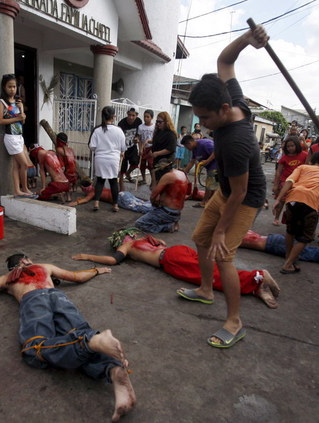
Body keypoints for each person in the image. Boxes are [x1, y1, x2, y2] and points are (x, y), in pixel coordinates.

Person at [0, 253, 135, 421]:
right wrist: (97, 269)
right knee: (76, 333)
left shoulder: (6, 278)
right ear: (25, 260)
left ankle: (92, 342)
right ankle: (114, 370)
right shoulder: (44, 267)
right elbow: (77, 277)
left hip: (33, 301)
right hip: (59, 297)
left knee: (35, 349)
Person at [184, 25, 269, 348]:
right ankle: (206, 290)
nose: (201, 125)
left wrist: (222, 230)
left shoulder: (237, 140)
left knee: (224, 254)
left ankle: (235, 321)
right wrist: (248, 40)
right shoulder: (230, 100)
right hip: (226, 190)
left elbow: (242, 193)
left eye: (204, 119)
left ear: (222, 111)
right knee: (199, 238)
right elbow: (225, 61)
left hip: (245, 198)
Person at [72, 228, 281, 309]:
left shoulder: (127, 245)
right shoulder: (145, 238)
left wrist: (86, 256)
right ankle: (255, 286)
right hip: (177, 250)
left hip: (170, 260)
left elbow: (113, 260)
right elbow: (161, 241)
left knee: (211, 277)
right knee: (213, 269)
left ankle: (257, 277)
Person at [273, 151, 319, 274]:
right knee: (305, 237)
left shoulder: (302, 167)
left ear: (311, 161)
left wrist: (278, 199)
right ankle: (288, 264)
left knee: (290, 230)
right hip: (310, 204)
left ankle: (289, 257)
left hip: (292, 200)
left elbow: (289, 182)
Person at [240, 230, 319, 268]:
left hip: (273, 244)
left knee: (314, 254)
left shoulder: (232, 237)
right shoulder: (239, 229)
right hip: (274, 240)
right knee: (313, 251)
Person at [0, 74, 32, 197]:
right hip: (10, 137)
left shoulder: (18, 102)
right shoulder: (2, 102)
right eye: (10, 86)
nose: (12, 89)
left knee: (16, 166)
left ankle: (17, 190)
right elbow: (0, 121)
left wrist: (22, 111)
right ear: (4, 87)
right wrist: (17, 117)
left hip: (19, 136)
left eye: (14, 86)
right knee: (24, 164)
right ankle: (25, 188)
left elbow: (22, 121)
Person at [89, 106, 126, 212]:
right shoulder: (118, 130)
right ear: (113, 116)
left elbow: (92, 146)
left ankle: (96, 203)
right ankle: (115, 205)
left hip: (100, 159)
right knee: (113, 182)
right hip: (113, 159)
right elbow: (123, 147)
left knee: (100, 181)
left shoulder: (97, 130)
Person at [134, 165, 188, 233]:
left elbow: (153, 196)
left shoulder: (167, 176)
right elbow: (188, 193)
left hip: (166, 213)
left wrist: (155, 204)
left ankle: (168, 226)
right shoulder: (181, 173)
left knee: (140, 223)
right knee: (146, 208)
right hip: (176, 212)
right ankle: (171, 222)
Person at [272, 136, 307, 225]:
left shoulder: (305, 155)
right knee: (281, 201)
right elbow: (278, 172)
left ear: (297, 145)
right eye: (288, 146)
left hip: (298, 183)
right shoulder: (284, 158)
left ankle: (290, 219)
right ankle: (276, 218)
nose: (290, 148)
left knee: (293, 203)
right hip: (285, 182)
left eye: (292, 145)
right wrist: (275, 185)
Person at [181, 134, 217, 208]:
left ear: (189, 143)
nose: (186, 148)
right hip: (210, 167)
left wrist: (207, 160)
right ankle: (211, 202)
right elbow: (192, 161)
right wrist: (184, 171)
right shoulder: (194, 149)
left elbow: (216, 152)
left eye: (186, 146)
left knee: (209, 185)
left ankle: (204, 202)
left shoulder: (205, 144)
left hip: (217, 165)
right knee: (212, 185)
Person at [150, 111, 177, 186]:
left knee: (160, 183)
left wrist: (157, 153)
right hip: (157, 160)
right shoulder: (159, 132)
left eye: (160, 122)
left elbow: (170, 148)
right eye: (157, 122)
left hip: (165, 162)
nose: (158, 124)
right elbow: (158, 142)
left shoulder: (171, 134)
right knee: (155, 180)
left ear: (166, 122)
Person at [117, 108, 142, 186]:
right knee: (122, 167)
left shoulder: (139, 121)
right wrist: (120, 150)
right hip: (124, 148)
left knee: (135, 162)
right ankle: (121, 185)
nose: (131, 117)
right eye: (129, 115)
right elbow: (118, 137)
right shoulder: (121, 123)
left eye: (133, 115)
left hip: (132, 146)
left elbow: (139, 133)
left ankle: (128, 174)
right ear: (127, 113)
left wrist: (137, 138)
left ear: (136, 115)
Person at [137, 110, 155, 185]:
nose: (146, 118)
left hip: (151, 148)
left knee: (151, 165)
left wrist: (153, 149)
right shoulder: (140, 127)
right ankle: (144, 179)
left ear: (152, 118)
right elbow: (139, 139)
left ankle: (152, 181)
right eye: (145, 116)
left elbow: (155, 139)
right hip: (143, 148)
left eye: (148, 117)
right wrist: (140, 148)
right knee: (142, 165)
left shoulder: (154, 127)